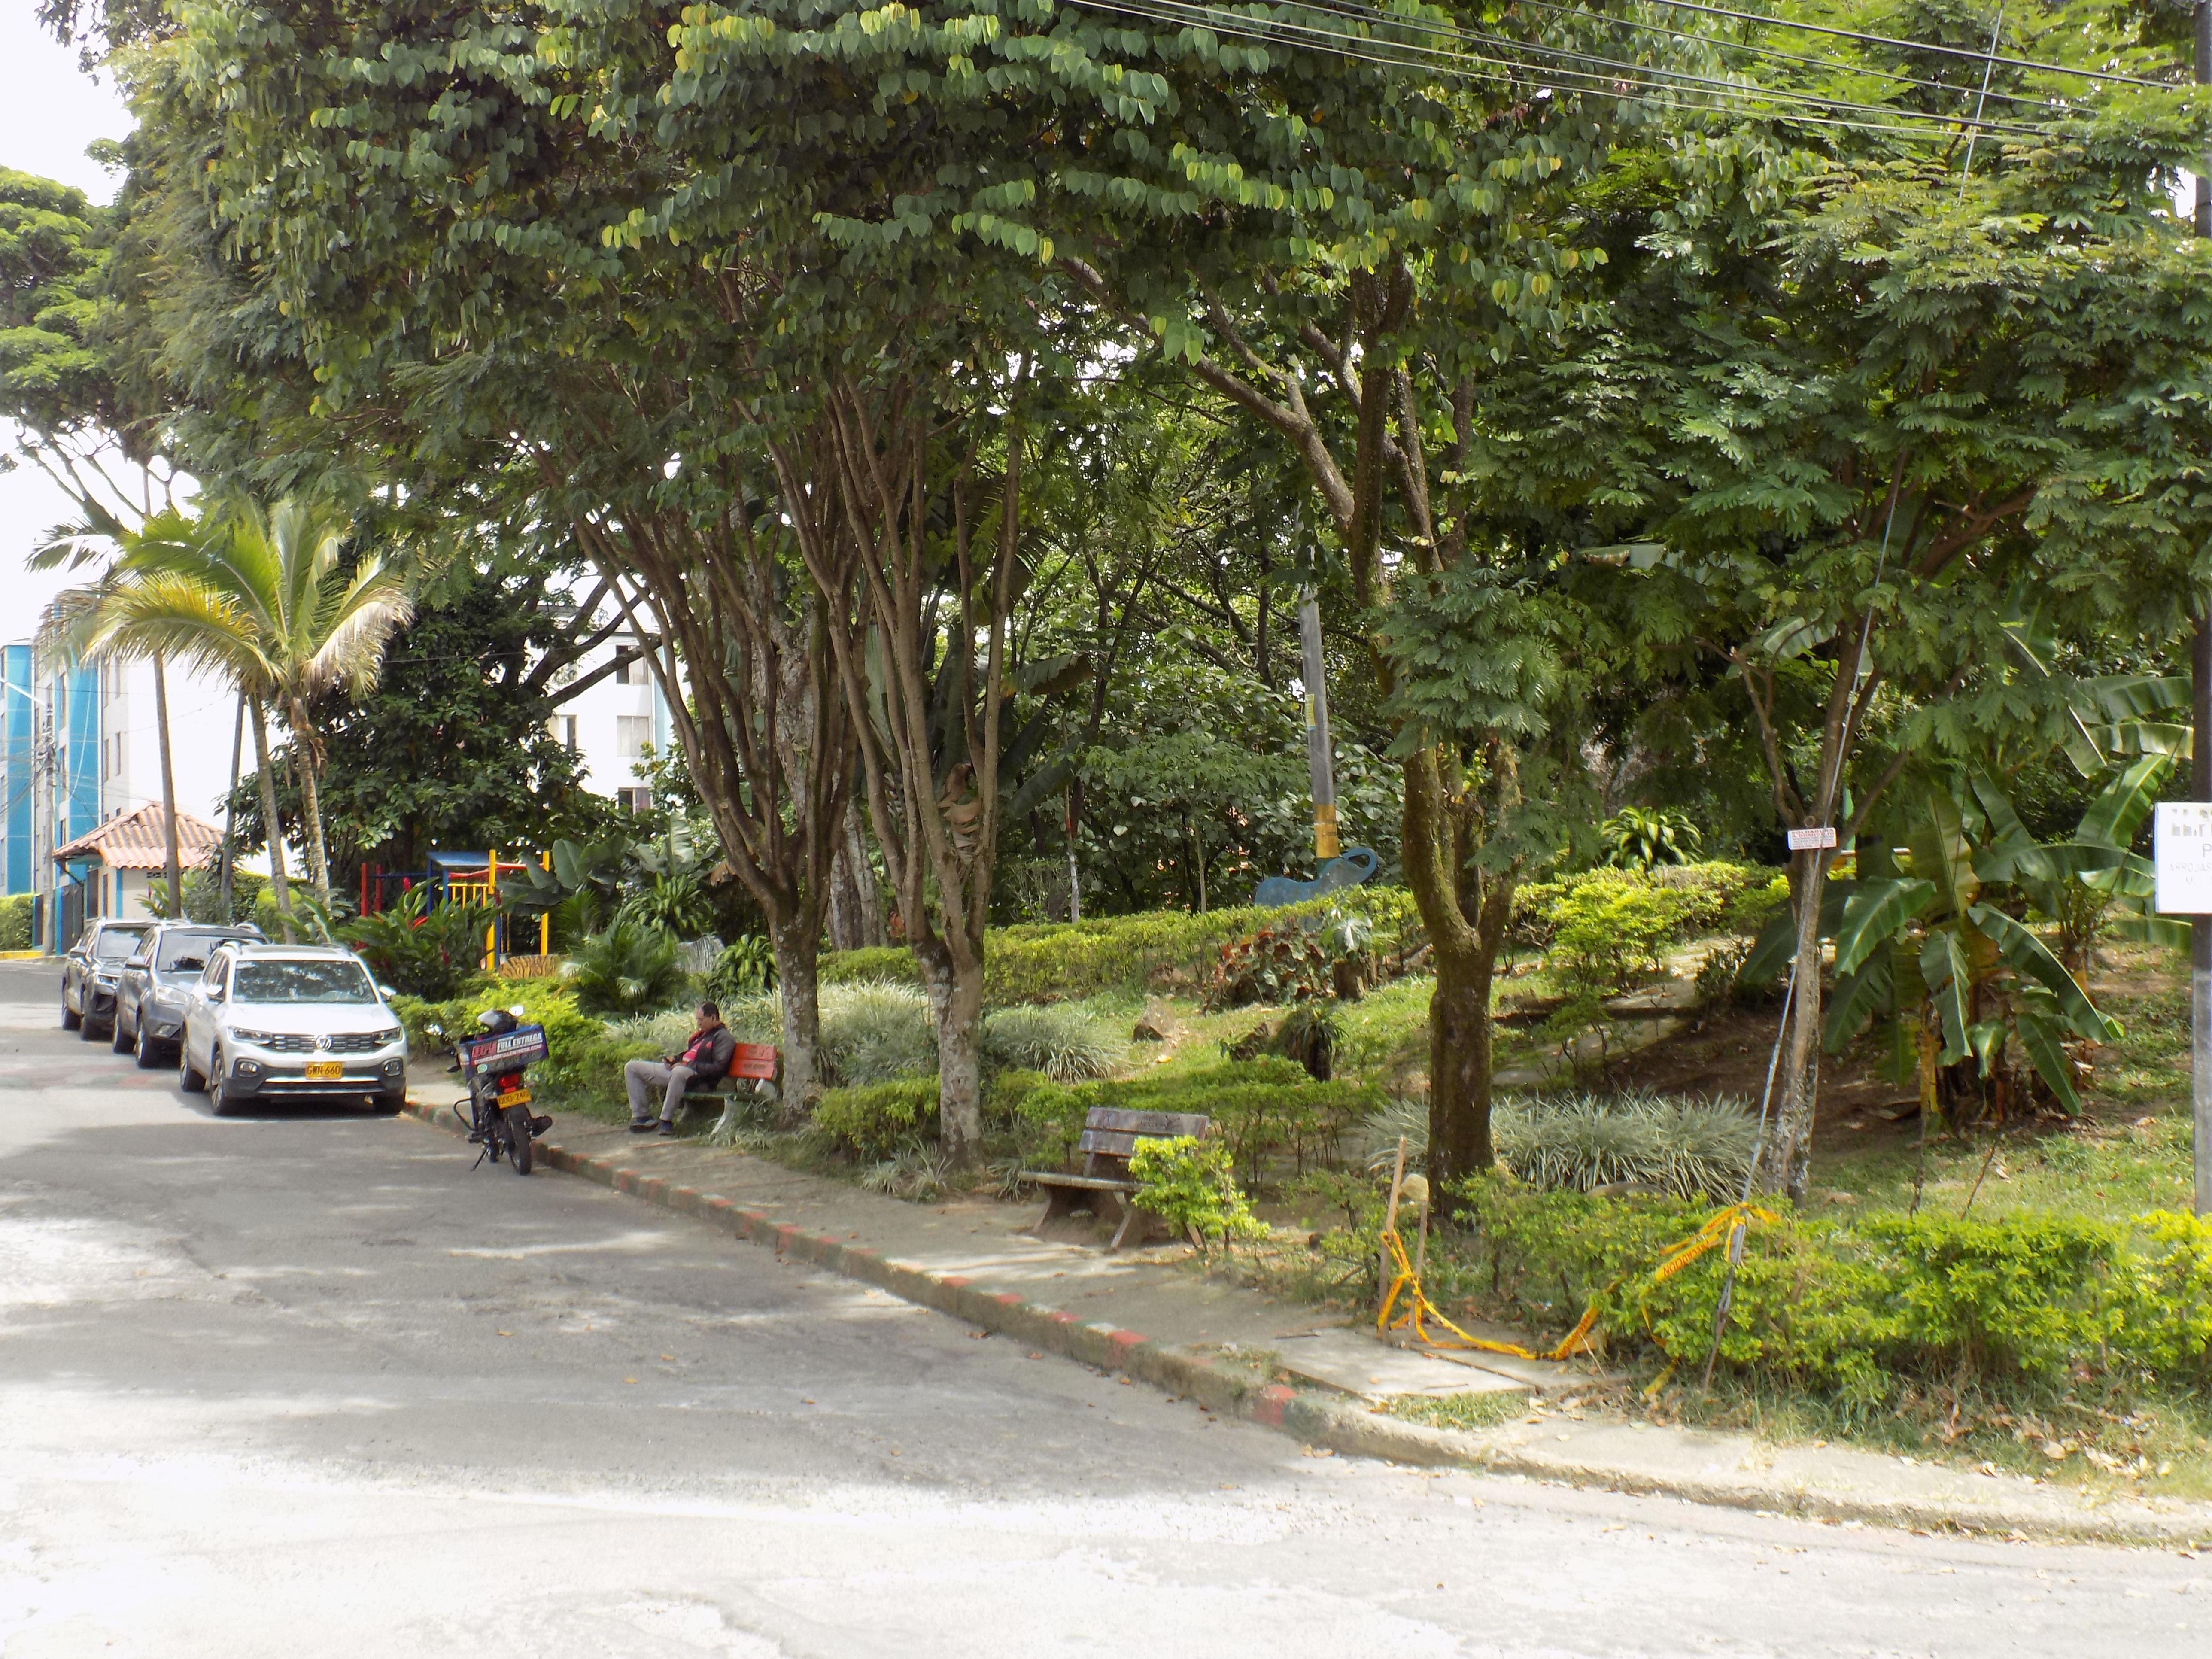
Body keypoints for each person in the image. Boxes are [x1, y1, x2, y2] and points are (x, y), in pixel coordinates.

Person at [624, 1002, 737, 1135]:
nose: (698, 1024)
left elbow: (719, 1068)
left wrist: (686, 1066)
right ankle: (642, 1118)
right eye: (697, 1020)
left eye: (701, 1020)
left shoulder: (724, 1038)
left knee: (679, 1072)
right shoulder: (702, 1035)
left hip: (699, 1079)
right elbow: (690, 1054)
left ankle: (666, 1121)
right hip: (679, 1072)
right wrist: (675, 1060)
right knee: (632, 1067)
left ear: (713, 1018)